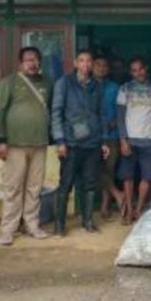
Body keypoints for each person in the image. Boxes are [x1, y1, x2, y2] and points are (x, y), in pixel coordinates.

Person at [0, 47, 52, 246]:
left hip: (40, 143)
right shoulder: (9, 83)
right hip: (14, 144)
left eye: (35, 60)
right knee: (13, 188)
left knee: (34, 188)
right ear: (21, 63)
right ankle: (8, 230)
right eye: (28, 60)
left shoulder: (47, 83)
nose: (32, 64)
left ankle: (32, 225)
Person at [52, 49, 106, 234]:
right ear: (75, 63)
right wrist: (60, 140)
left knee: (90, 184)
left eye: (88, 61)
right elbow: (56, 112)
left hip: (92, 143)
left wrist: (103, 141)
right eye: (81, 61)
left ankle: (88, 221)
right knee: (65, 185)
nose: (85, 65)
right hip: (70, 143)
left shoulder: (97, 86)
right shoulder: (65, 83)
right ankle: (60, 226)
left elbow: (100, 115)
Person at [117, 56, 151, 223]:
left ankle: (138, 209)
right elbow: (120, 116)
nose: (138, 73)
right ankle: (129, 210)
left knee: (147, 177)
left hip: (149, 139)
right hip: (130, 139)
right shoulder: (125, 88)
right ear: (131, 72)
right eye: (134, 70)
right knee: (127, 176)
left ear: (146, 69)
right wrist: (123, 139)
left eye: (141, 69)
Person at [94, 55, 126, 222]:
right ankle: (118, 194)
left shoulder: (115, 87)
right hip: (92, 135)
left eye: (105, 65)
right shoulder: (87, 85)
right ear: (92, 66)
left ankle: (105, 206)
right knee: (95, 168)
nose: (101, 68)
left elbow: (121, 109)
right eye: (98, 65)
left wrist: (117, 123)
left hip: (111, 135)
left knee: (109, 170)